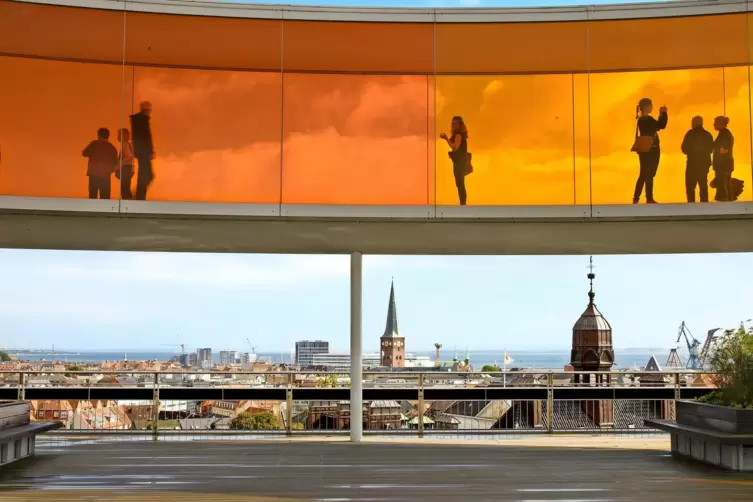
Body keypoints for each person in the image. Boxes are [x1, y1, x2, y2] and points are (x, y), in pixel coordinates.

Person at [633, 98, 668, 204]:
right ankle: (648, 197)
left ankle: (637, 197)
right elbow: (661, 125)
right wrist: (663, 114)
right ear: (646, 107)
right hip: (651, 149)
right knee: (648, 173)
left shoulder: (641, 119)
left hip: (644, 149)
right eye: (651, 105)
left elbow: (657, 126)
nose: (652, 107)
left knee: (644, 173)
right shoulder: (647, 119)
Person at [680, 116, 714, 203]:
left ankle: (691, 205)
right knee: (703, 185)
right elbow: (711, 149)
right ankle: (704, 204)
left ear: (694, 123)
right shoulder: (707, 134)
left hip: (692, 163)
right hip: (703, 164)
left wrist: (691, 151)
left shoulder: (690, 134)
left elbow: (684, 148)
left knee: (690, 187)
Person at [440, 116, 470, 205]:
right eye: (452, 123)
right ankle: (463, 203)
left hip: (459, 163)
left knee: (460, 184)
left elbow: (454, 147)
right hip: (460, 162)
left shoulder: (458, 135)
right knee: (459, 184)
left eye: (455, 123)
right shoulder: (458, 135)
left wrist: (446, 138)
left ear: (459, 125)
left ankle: (463, 203)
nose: (453, 125)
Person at [82, 127, 118, 200]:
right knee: (105, 198)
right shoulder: (112, 147)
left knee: (93, 196)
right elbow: (116, 163)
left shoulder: (94, 144)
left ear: (98, 135)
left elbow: (84, 153)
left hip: (93, 174)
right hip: (106, 176)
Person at [131, 101, 155, 201]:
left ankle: (139, 196)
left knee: (145, 175)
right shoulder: (143, 120)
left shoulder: (137, 120)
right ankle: (138, 196)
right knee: (147, 175)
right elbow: (146, 137)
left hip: (141, 151)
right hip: (144, 152)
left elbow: (138, 137)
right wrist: (150, 150)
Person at [712, 116, 734, 202]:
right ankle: (727, 204)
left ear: (720, 124)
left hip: (723, 165)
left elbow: (723, 150)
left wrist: (715, 147)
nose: (713, 124)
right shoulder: (725, 134)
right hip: (725, 164)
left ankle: (725, 205)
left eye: (716, 123)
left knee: (723, 187)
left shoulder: (724, 135)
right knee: (725, 185)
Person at [117, 128, 134, 200]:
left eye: (119, 134)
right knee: (125, 189)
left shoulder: (125, 145)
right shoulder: (127, 145)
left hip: (126, 169)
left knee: (124, 190)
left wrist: (118, 165)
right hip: (128, 169)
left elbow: (128, 157)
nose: (118, 136)